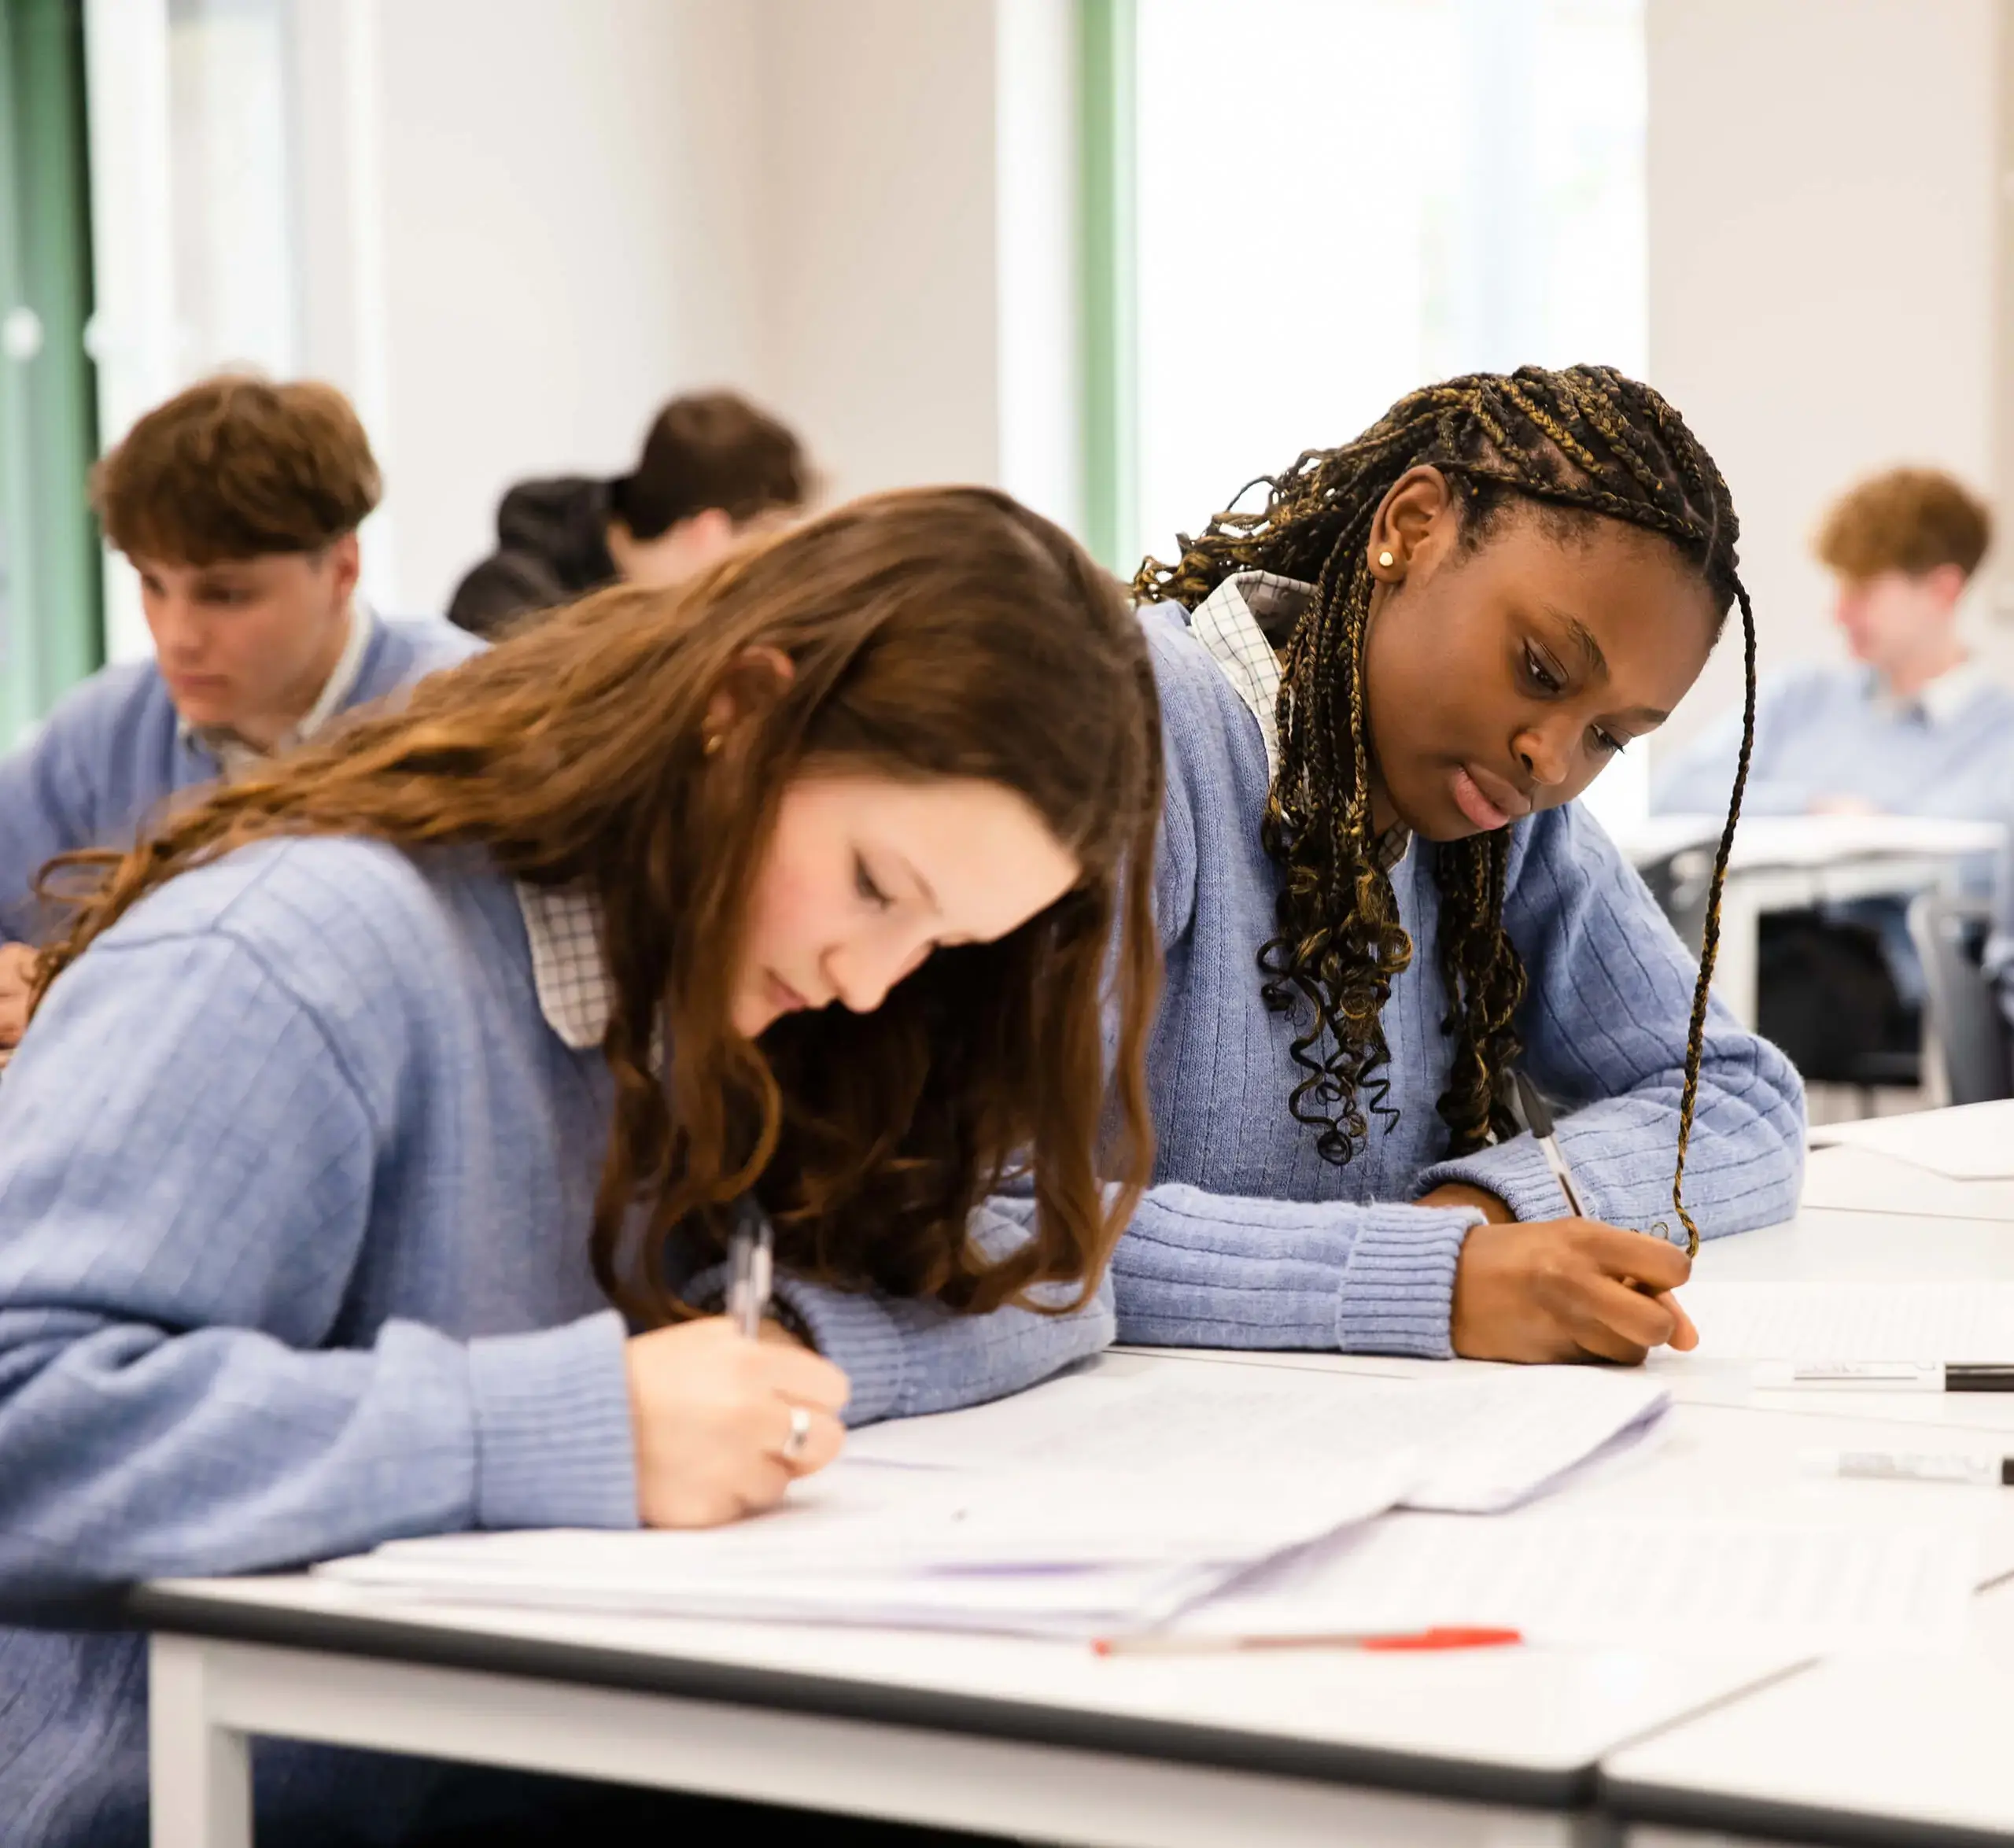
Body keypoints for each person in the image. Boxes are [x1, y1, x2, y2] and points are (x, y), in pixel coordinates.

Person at [0, 487, 1163, 1846]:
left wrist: (784, 1340)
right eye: (871, 882)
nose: (869, 979)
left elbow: (1039, 1256)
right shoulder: (300, 955)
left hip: (550, 1768)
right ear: (739, 709)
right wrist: (571, 1426)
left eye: (940, 941)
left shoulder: (725, 994)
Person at [1078, 366, 1803, 1367]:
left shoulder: (1498, 817)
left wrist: (1485, 1211)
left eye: (1609, 737)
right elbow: (983, 1222)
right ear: (1411, 529)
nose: (1552, 761)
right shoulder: (1129, 732)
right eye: (1541, 669)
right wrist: (1427, 1277)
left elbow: (1734, 1096)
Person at [0, 374, 481, 1056]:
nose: (176, 635)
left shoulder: (467, 720)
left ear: (342, 570)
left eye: (224, 595)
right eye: (152, 585)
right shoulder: (107, 732)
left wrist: (85, 990)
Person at [1654, 466, 2010, 1083]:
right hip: (1732, 940)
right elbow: (1678, 791)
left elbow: (1970, 867)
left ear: (1942, 591)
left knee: (1743, 1004)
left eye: (1864, 589)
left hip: (1866, 977)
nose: (1839, 611)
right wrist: (1817, 807)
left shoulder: (1998, 732)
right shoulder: (1803, 697)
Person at [448, 389, 812, 636]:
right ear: (709, 531)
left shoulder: (691, 618)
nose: (769, 565)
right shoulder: (507, 605)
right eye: (764, 540)